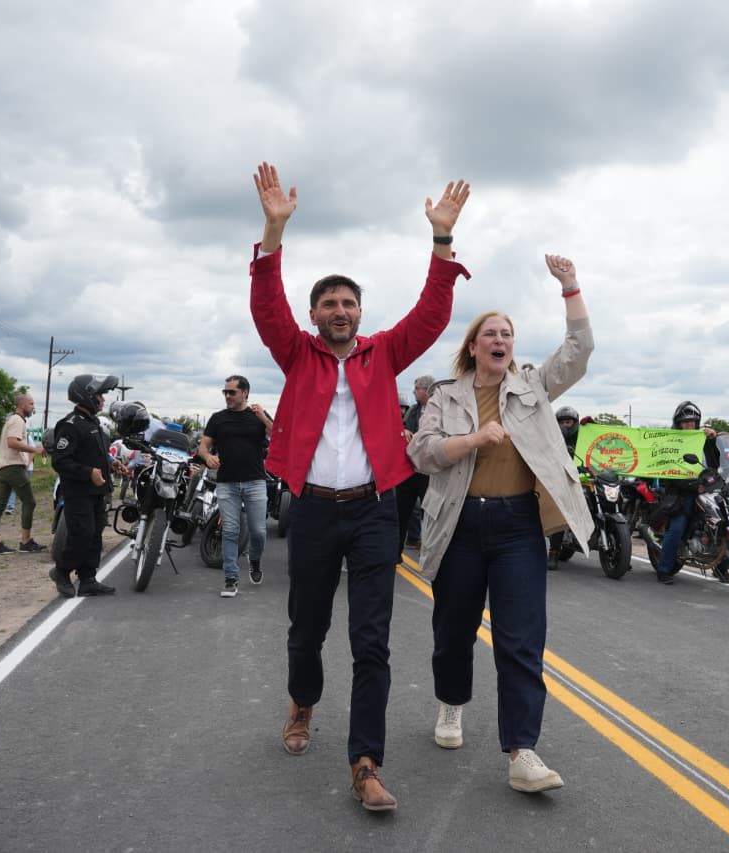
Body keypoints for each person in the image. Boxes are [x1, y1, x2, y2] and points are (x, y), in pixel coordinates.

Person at [250, 161, 471, 812]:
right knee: (306, 629)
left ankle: (366, 761)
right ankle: (302, 701)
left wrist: (441, 240)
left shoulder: (385, 353)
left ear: (360, 314)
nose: (340, 311)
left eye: (349, 303)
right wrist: (273, 229)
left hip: (375, 511)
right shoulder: (296, 351)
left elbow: (432, 314)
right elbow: (265, 304)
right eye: (330, 304)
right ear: (315, 314)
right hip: (313, 511)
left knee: (371, 641)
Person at [407, 253, 593, 794]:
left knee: (521, 640)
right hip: (459, 524)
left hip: (517, 527)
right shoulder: (445, 395)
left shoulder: (532, 387)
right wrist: (473, 439)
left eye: (507, 334)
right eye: (490, 333)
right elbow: (422, 452)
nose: (500, 340)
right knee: (453, 633)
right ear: (473, 345)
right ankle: (451, 704)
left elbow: (579, 351)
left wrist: (570, 286)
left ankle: (522, 751)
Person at [48, 374, 127, 598]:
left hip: (97, 492)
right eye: (100, 395)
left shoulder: (93, 423)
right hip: (78, 492)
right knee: (81, 535)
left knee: (95, 537)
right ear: (87, 396)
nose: (103, 399)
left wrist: (112, 464)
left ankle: (88, 579)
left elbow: (95, 453)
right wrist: (88, 473)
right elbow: (60, 461)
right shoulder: (70, 425)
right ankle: (62, 572)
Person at [199, 374, 273, 597]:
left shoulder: (258, 416)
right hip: (227, 483)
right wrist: (207, 457)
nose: (228, 396)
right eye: (225, 392)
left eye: (232, 392)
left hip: (255, 482)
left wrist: (263, 418)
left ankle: (255, 560)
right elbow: (203, 446)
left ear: (245, 393)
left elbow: (279, 435)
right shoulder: (218, 419)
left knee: (258, 532)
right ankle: (230, 578)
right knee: (230, 531)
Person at [655, 401, 727, 585]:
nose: (689, 425)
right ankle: (664, 569)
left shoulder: (703, 441)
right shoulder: (671, 444)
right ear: (678, 424)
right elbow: (669, 474)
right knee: (677, 528)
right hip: (682, 493)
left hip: (709, 491)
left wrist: (717, 438)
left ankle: (721, 568)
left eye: (692, 422)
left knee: (726, 523)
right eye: (685, 422)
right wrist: (694, 487)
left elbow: (719, 459)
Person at [0, 394, 48, 556]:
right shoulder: (17, 420)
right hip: (14, 468)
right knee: (30, 502)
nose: (33, 407)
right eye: (31, 403)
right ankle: (25, 541)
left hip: (4, 468)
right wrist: (35, 450)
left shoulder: (12, 420)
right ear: (22, 405)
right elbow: (12, 442)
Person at [396, 374, 436, 560]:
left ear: (427, 390)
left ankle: (429, 555)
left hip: (429, 471)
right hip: (409, 469)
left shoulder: (440, 410)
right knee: (401, 512)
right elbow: (402, 427)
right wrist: (404, 431)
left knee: (430, 515)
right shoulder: (413, 410)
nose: (414, 391)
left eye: (417, 388)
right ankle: (395, 554)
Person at [545, 405, 581, 570]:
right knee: (561, 512)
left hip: (583, 476)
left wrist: (593, 427)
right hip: (563, 478)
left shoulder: (582, 435)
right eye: (563, 422)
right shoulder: (552, 437)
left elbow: (597, 443)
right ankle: (553, 552)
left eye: (569, 422)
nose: (566, 425)